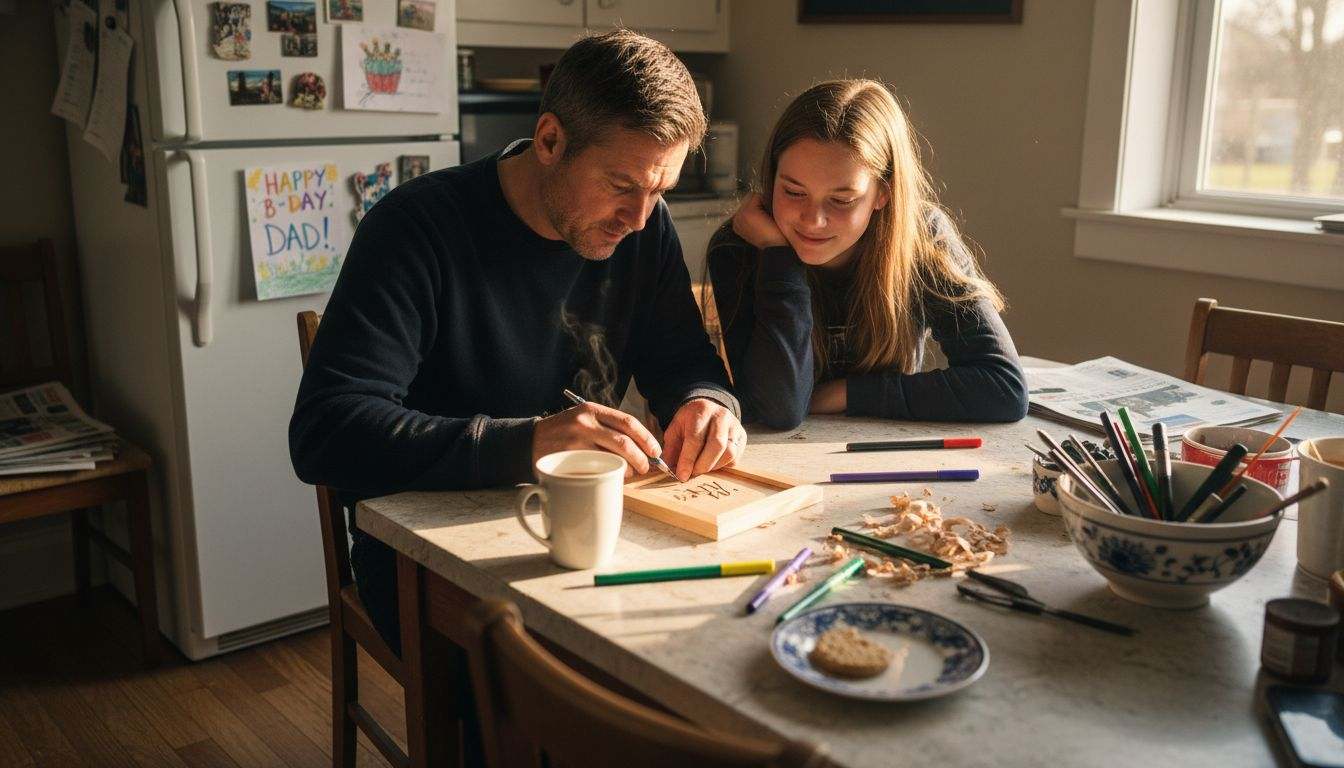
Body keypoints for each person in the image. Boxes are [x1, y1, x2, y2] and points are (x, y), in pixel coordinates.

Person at [290, 30, 746, 651]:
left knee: (702, 644)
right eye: (620, 185)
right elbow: (326, 432)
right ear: (550, 140)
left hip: (586, 530)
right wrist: (528, 441)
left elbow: (682, 358)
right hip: (422, 554)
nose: (639, 218)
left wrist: (706, 400)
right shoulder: (413, 229)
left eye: (658, 191)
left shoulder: (645, 227)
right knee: (541, 700)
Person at [707, 79, 1028, 430]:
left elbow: (1003, 389)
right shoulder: (741, 247)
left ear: (883, 194)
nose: (813, 220)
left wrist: (848, 393)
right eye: (794, 192)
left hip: (890, 457)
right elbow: (779, 409)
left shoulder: (921, 237)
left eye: (842, 200)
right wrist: (779, 257)